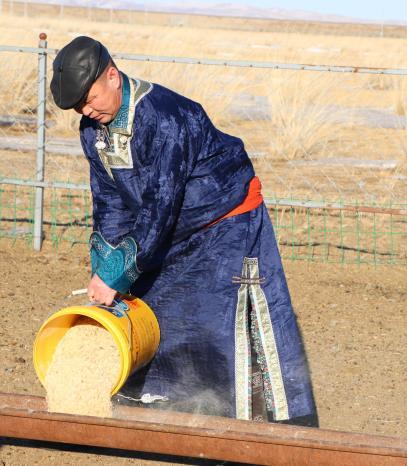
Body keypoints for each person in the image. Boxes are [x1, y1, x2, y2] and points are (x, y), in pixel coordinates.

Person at [50, 36, 318, 426]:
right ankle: (175, 414)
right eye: (78, 107)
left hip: (227, 225)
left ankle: (258, 425)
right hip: (173, 231)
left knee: (220, 326)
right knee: (156, 314)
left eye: (89, 100)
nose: (86, 111)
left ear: (112, 75)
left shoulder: (164, 118)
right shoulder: (94, 129)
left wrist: (116, 274)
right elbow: (108, 199)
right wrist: (104, 264)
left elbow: (160, 206)